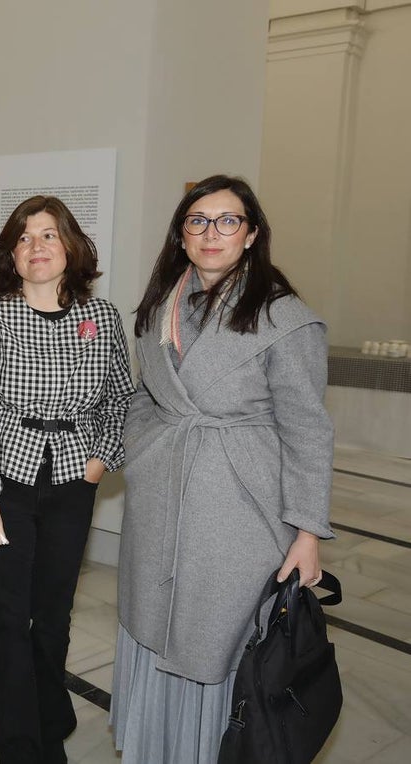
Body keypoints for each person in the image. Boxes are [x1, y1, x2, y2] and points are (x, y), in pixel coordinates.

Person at [110, 175, 334, 763]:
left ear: (251, 233)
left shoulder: (285, 319)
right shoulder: (159, 309)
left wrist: (308, 531)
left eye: (228, 220)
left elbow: (308, 429)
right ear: (181, 235)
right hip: (160, 498)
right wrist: (143, 451)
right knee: (152, 623)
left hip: (239, 509)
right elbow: (145, 396)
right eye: (198, 221)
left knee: (216, 639)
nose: (212, 233)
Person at [0, 196, 133, 763]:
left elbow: (123, 398)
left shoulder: (101, 318)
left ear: (70, 246)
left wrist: (101, 459)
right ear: (12, 254)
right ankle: (19, 744)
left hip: (75, 478)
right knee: (11, 616)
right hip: (8, 480)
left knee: (53, 613)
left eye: (48, 235)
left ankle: (50, 721)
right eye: (24, 238)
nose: (36, 247)